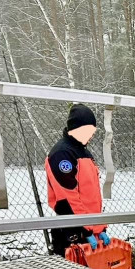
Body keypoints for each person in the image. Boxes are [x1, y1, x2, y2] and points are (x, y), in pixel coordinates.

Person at [45, 103, 111, 254]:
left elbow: (92, 198)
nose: (92, 134)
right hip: (72, 231)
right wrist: (85, 229)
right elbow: (68, 198)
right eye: (88, 130)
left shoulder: (84, 153)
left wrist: (99, 227)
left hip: (90, 229)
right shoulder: (62, 154)